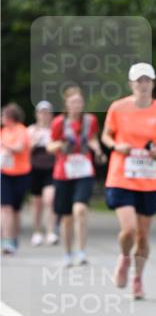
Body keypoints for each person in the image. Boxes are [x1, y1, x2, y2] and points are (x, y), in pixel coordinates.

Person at [101, 62, 156, 299]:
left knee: (143, 236)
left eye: (147, 80)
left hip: (150, 180)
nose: (143, 84)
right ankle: (124, 258)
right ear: (131, 84)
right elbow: (106, 136)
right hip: (121, 176)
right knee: (128, 230)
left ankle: (137, 278)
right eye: (139, 80)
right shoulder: (118, 108)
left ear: (153, 83)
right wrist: (117, 145)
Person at [48, 87, 104, 266]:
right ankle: (67, 253)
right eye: (73, 102)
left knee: (80, 210)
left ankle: (82, 251)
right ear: (66, 104)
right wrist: (61, 145)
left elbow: (93, 138)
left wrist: (97, 149)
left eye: (79, 102)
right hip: (64, 172)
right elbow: (50, 146)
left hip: (84, 171)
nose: (76, 105)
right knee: (66, 217)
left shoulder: (90, 120)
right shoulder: (58, 122)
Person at [1, 103, 32, 255]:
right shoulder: (4, 131)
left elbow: (19, 147)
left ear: (10, 117)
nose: (2, 118)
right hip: (5, 173)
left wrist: (4, 145)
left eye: (4, 115)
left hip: (21, 174)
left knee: (16, 210)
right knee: (6, 208)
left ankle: (13, 237)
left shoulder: (21, 130)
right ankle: (6, 240)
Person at [28, 100, 58, 245]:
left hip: (51, 168)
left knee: (50, 199)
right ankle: (37, 231)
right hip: (35, 169)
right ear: (37, 114)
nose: (44, 115)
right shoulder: (31, 130)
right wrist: (34, 142)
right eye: (42, 112)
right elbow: (25, 151)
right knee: (37, 202)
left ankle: (51, 231)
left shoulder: (55, 130)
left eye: (47, 113)